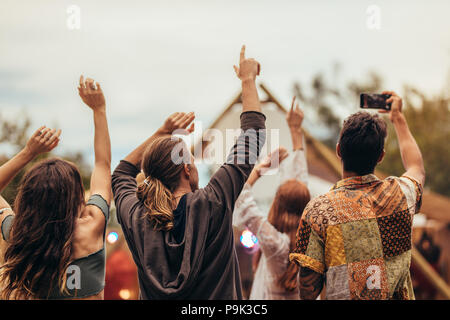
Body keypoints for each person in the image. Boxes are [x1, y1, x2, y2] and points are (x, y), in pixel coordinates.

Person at [111, 45, 266, 299]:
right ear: (186, 168)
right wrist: (248, 80)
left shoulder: (137, 217)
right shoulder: (213, 201)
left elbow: (121, 173)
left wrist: (161, 133)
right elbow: (253, 135)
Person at [289, 91, 425, 300]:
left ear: (338, 151)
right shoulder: (401, 195)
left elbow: (308, 290)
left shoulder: (319, 211)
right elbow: (416, 167)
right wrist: (398, 117)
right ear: (380, 156)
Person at [0, 76, 112, 300]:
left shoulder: (17, 233)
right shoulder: (92, 226)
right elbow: (102, 164)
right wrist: (99, 110)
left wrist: (28, 153)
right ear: (76, 198)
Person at [233, 97, 311, 299]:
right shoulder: (309, 242)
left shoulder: (277, 244)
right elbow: (300, 186)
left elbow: (242, 199)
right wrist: (295, 132)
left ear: (277, 204)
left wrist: (260, 170)